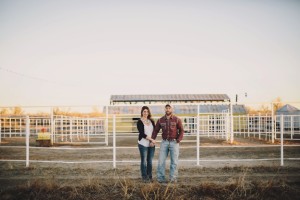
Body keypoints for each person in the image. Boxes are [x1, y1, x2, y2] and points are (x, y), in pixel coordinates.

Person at [151, 104, 184, 183]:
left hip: (174, 142)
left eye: (169, 108)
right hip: (164, 142)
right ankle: (161, 179)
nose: (168, 109)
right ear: (164, 109)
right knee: (161, 161)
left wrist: (178, 140)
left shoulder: (177, 120)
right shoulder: (160, 120)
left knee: (174, 162)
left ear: (172, 109)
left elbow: (182, 130)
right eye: (166, 108)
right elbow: (155, 131)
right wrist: (152, 140)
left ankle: (173, 179)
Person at [137, 106, 156, 182]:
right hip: (143, 144)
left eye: (147, 111)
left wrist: (152, 141)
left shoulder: (151, 121)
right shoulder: (139, 121)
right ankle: (144, 177)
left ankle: (150, 176)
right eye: (144, 111)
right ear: (142, 112)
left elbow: (155, 132)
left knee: (150, 161)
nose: (146, 113)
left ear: (149, 112)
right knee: (144, 161)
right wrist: (151, 139)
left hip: (151, 144)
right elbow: (142, 134)